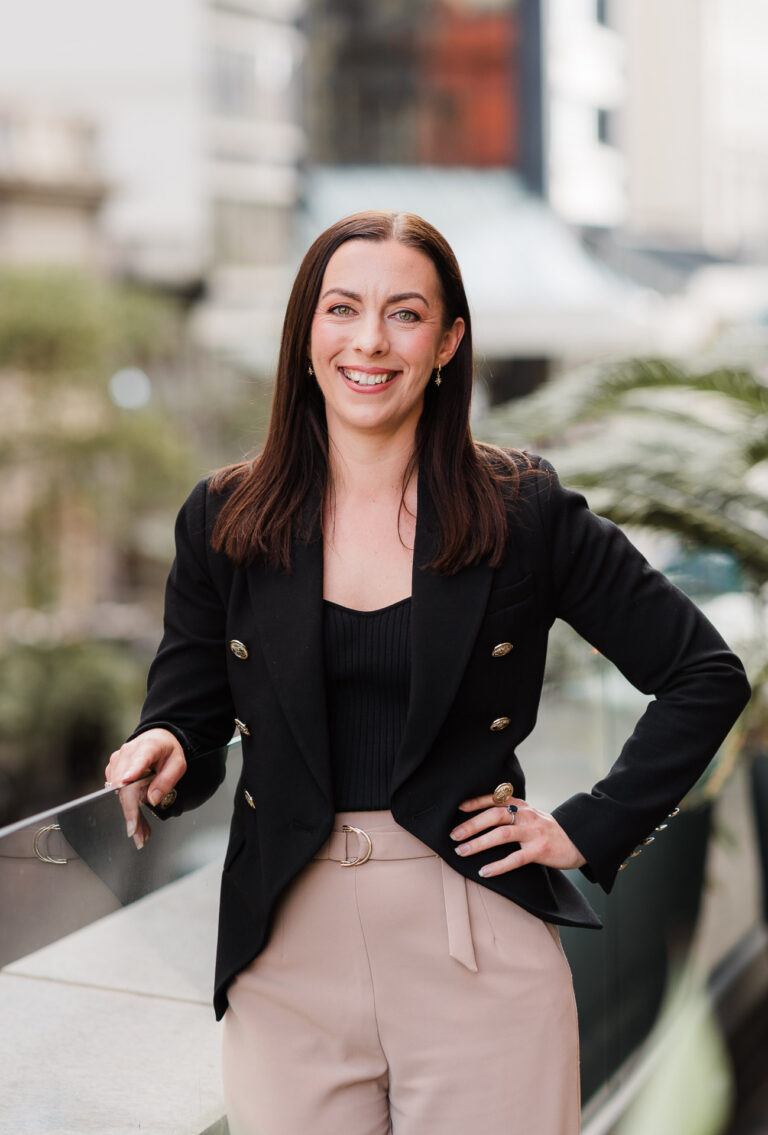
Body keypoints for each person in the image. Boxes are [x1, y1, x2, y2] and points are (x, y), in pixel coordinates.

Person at [105, 211, 750, 1135]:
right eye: (342, 309)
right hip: (284, 946)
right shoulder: (224, 518)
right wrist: (164, 742)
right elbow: (191, 712)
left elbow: (704, 672)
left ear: (447, 342)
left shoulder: (523, 511)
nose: (369, 341)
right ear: (306, 334)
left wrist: (589, 827)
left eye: (404, 314)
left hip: (476, 936)